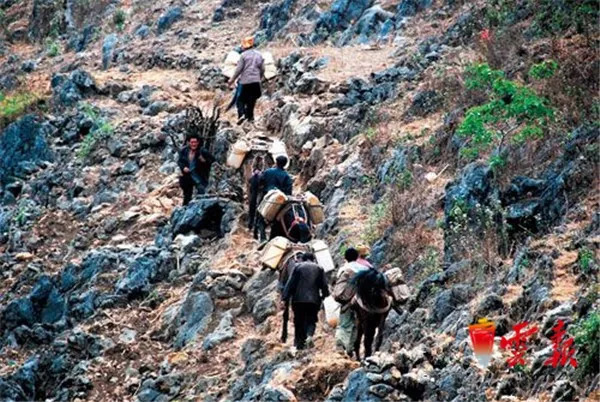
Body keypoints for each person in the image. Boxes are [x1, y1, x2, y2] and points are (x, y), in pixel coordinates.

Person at [282, 252, 330, 350]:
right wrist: (325, 296)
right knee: (311, 320)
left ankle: (299, 345)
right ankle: (309, 336)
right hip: (314, 300)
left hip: (298, 299)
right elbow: (324, 285)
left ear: (303, 259)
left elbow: (290, 283)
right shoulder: (319, 268)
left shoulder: (297, 267)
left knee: (299, 321)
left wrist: (285, 297)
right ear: (313, 259)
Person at [333, 247, 370, 355]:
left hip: (347, 301)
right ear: (357, 257)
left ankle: (340, 345)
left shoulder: (344, 269)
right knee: (357, 325)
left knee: (344, 323)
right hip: (362, 301)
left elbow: (338, 284)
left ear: (345, 258)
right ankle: (351, 349)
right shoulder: (364, 269)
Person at [228, 36, 265, 125]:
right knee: (251, 101)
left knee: (240, 100)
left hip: (245, 82)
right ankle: (250, 119)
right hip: (256, 83)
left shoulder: (243, 55)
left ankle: (242, 116)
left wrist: (231, 80)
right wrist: (259, 78)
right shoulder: (259, 55)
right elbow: (262, 69)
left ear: (244, 46)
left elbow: (239, 69)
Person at [177, 135, 215, 206]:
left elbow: (213, 161)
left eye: (195, 142)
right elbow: (180, 161)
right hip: (187, 176)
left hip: (199, 176)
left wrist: (204, 161)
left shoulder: (203, 151)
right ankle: (185, 209)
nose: (193, 144)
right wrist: (183, 167)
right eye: (192, 142)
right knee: (187, 195)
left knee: (202, 194)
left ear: (198, 142)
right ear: (188, 142)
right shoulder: (184, 150)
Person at [248, 156, 266, 240]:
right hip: (260, 194)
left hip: (253, 195)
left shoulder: (252, 177)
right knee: (258, 211)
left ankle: (250, 224)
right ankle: (256, 230)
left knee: (252, 208)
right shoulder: (262, 176)